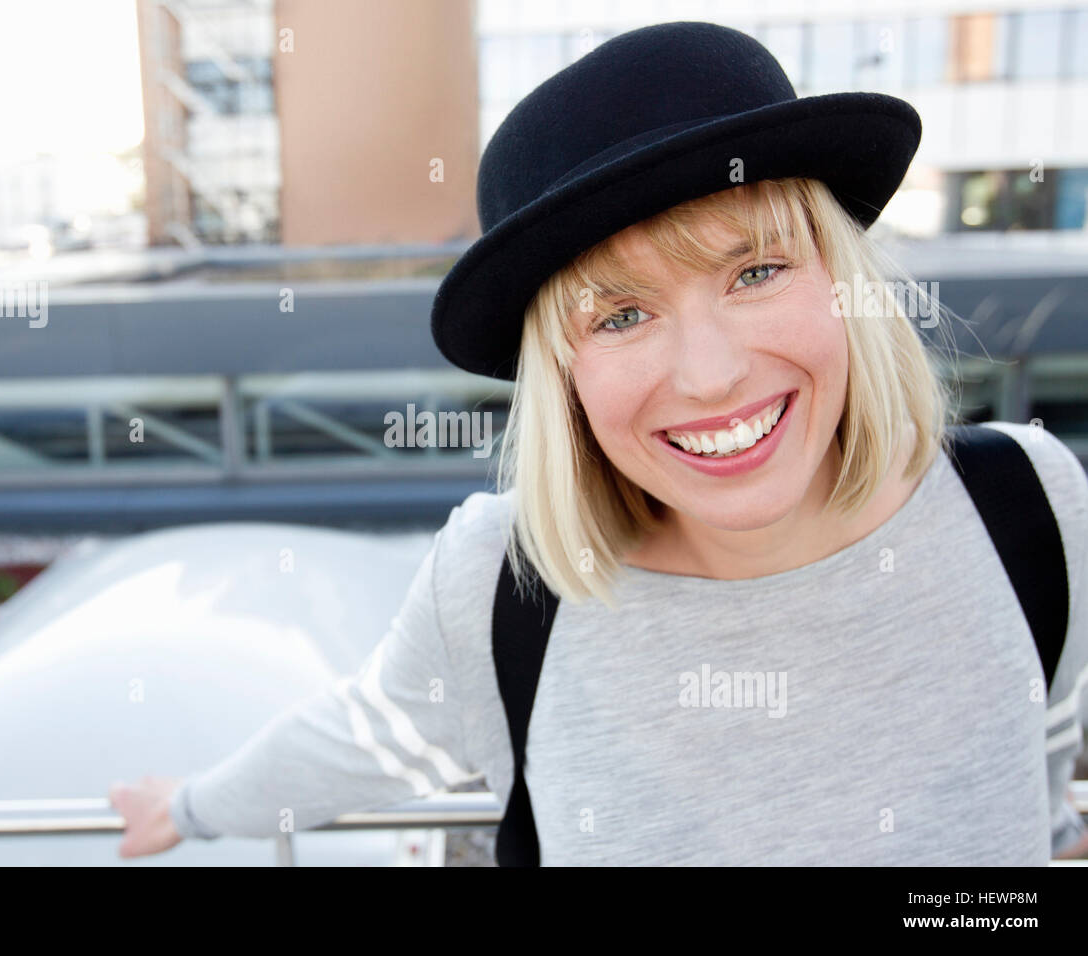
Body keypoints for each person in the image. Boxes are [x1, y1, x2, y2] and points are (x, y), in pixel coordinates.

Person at [110, 21, 1088, 864]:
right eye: (619, 315)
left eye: (754, 270)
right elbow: (369, 732)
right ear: (559, 375)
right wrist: (186, 806)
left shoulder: (1030, 505)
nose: (709, 374)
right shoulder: (501, 585)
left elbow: (1042, 751)